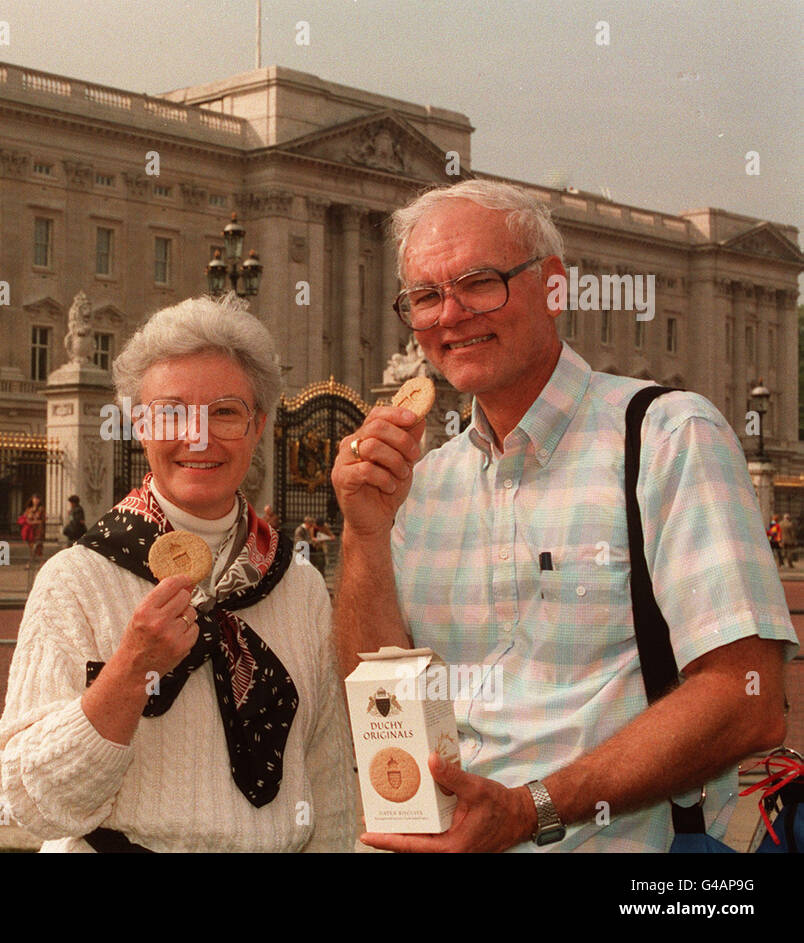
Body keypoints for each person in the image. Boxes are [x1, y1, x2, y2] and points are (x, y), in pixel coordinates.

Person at [331, 179, 797, 852]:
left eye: (479, 282)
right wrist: (365, 534)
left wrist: (530, 810)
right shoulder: (423, 484)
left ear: (554, 286)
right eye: (426, 297)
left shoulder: (669, 436)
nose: (451, 314)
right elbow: (381, 703)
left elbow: (747, 699)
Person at [0, 294, 356, 852]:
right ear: (139, 426)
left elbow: (328, 782)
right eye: (172, 412)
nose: (198, 437)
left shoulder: (298, 584)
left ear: (259, 426)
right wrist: (129, 670)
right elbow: (31, 801)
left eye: (225, 412)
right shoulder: (78, 579)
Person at [19, 495, 45, 568]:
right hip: (30, 531)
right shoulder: (28, 509)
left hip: (38, 531)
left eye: (37, 499)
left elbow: (43, 520)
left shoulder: (41, 509)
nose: (36, 500)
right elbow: (25, 518)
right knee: (32, 547)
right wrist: (32, 521)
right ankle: (37, 562)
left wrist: (34, 521)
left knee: (38, 547)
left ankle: (35, 563)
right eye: (34, 499)